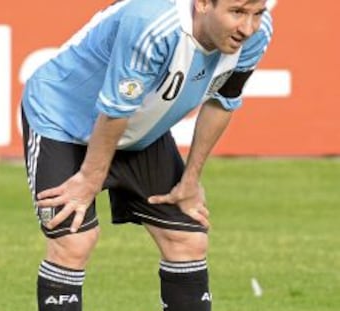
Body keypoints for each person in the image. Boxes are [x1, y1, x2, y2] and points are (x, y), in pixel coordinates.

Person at [21, 0, 273, 310]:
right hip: (62, 118)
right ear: (204, 4)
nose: (248, 28)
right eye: (237, 12)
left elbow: (222, 102)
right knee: (73, 241)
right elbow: (114, 110)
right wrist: (88, 178)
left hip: (137, 127)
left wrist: (190, 180)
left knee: (187, 240)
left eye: (257, 13)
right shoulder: (153, 23)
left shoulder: (256, 36)